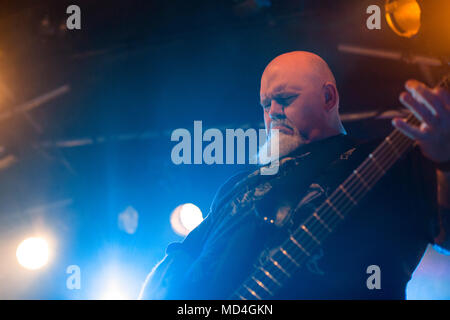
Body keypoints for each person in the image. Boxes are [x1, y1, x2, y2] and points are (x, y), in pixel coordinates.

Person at [139, 51, 450, 300]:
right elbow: (181, 255)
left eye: (285, 99)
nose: (273, 111)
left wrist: (444, 159)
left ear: (329, 98)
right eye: (265, 104)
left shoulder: (384, 159)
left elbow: (445, 235)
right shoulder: (240, 184)